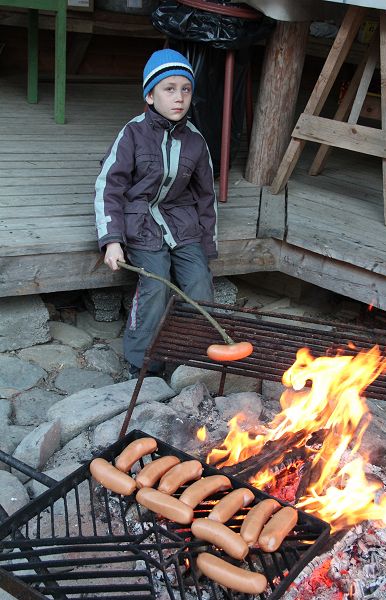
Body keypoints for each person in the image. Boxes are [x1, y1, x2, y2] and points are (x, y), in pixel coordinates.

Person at [94, 49, 218, 379]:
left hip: (182, 224)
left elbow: (207, 198)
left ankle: (188, 357)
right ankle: (143, 360)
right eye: (169, 88)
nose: (179, 97)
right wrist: (112, 241)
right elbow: (109, 187)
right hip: (140, 224)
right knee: (156, 282)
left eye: (186, 89)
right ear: (150, 95)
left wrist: (207, 247)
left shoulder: (196, 141)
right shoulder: (132, 134)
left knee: (200, 284)